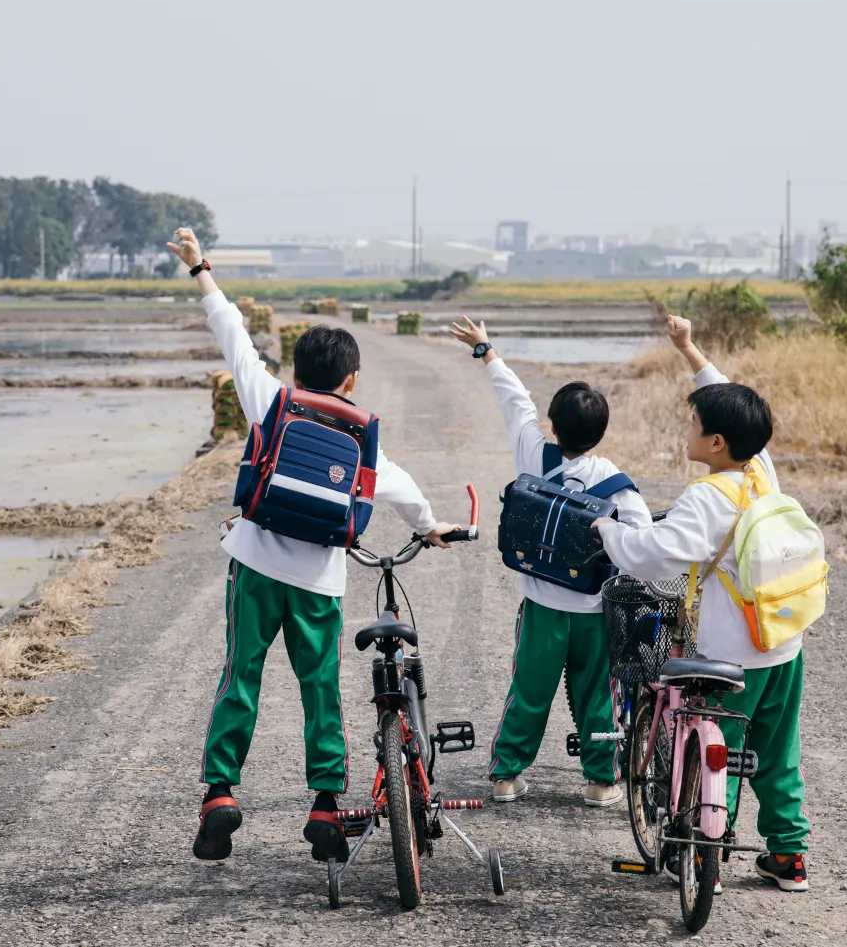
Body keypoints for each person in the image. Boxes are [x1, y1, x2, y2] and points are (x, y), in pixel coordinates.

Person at [167, 227, 461, 864]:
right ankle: (326, 803)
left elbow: (233, 335)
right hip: (318, 583)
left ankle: (219, 795)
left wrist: (202, 269)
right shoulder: (360, 437)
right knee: (318, 688)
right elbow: (403, 490)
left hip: (253, 564)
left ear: (298, 371)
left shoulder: (272, 399)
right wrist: (430, 527)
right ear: (351, 379)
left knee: (239, 675)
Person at [594, 313, 810, 893]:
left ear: (717, 443)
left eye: (693, 423)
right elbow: (729, 399)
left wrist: (607, 533)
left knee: (721, 750)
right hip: (783, 643)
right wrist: (689, 351)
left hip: (728, 656)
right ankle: (789, 856)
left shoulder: (705, 497)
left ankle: (707, 856)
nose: (685, 430)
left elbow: (653, 555)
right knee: (777, 752)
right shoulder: (763, 472)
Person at [448, 315, 652, 807]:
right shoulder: (615, 482)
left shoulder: (534, 456)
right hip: (593, 610)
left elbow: (514, 401)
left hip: (541, 604)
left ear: (554, 426)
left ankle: (506, 775)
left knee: (530, 690)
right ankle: (601, 781)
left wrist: (486, 349)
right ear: (600, 434)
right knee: (596, 696)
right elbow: (644, 536)